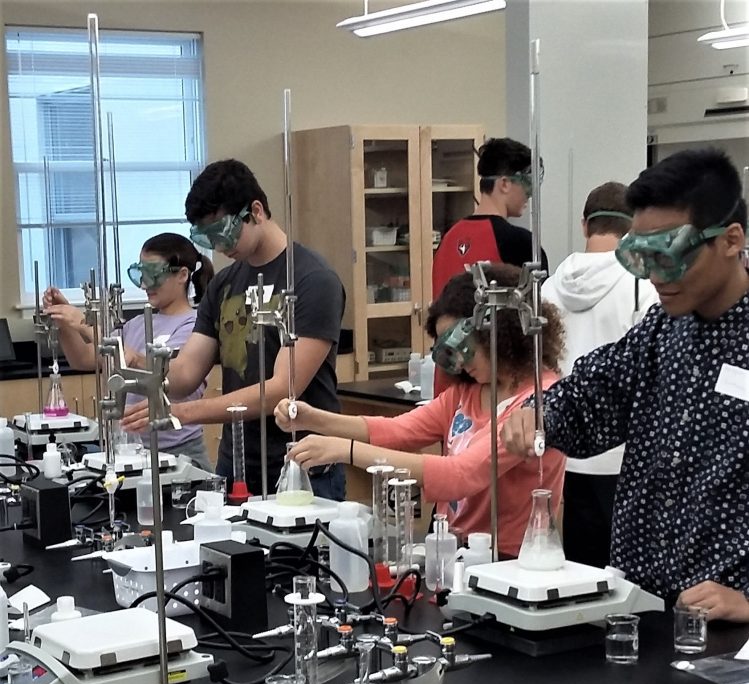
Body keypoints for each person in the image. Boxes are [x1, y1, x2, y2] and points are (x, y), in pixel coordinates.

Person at [501, 148, 749, 621]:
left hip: (725, 632)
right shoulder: (662, 330)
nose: (656, 277)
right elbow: (594, 394)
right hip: (641, 606)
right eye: (642, 258)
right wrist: (539, 411)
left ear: (731, 239)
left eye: (671, 257)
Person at [275, 264, 566, 556]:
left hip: (509, 559)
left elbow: (460, 474)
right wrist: (313, 417)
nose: (460, 362)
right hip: (456, 549)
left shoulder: (539, 403)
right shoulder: (470, 392)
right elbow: (399, 430)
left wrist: (345, 450)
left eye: (463, 346)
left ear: (496, 327)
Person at [122, 159, 346, 499]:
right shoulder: (224, 284)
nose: (220, 247)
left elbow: (280, 390)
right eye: (207, 237)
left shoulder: (312, 280)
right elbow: (184, 377)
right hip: (237, 463)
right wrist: (137, 369)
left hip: (304, 465)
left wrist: (182, 413)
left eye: (223, 232)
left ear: (255, 211)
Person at [542, 181, 658, 568]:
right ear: (632, 229)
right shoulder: (642, 287)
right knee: (617, 577)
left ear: (583, 225)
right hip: (617, 457)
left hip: (557, 451)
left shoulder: (548, 287)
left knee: (568, 572)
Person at [43, 232, 214, 470]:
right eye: (141, 275)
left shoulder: (194, 324)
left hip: (179, 453)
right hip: (132, 450)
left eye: (153, 275)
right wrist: (64, 321)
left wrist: (83, 322)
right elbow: (83, 358)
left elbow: (166, 374)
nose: (145, 285)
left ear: (182, 275)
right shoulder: (136, 325)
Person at [431, 137, 549, 303]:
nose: (529, 194)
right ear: (505, 184)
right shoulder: (520, 244)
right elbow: (540, 312)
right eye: (527, 184)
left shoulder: (448, 239)